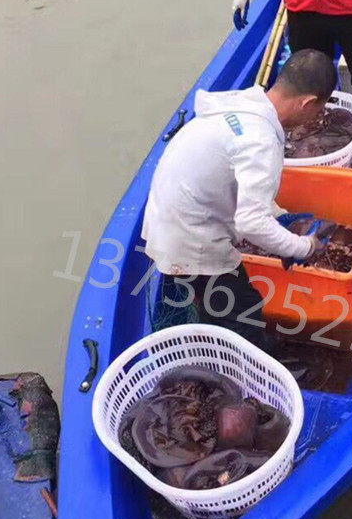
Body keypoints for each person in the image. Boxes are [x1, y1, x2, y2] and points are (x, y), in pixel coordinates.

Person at [142, 49, 336, 346]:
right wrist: (304, 246)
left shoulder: (241, 106)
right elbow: (251, 224)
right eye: (318, 109)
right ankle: (242, 374)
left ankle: (217, 330)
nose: (317, 117)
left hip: (166, 215)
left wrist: (276, 214)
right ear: (308, 102)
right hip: (190, 238)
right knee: (243, 312)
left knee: (217, 300)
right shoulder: (261, 141)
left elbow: (230, 180)